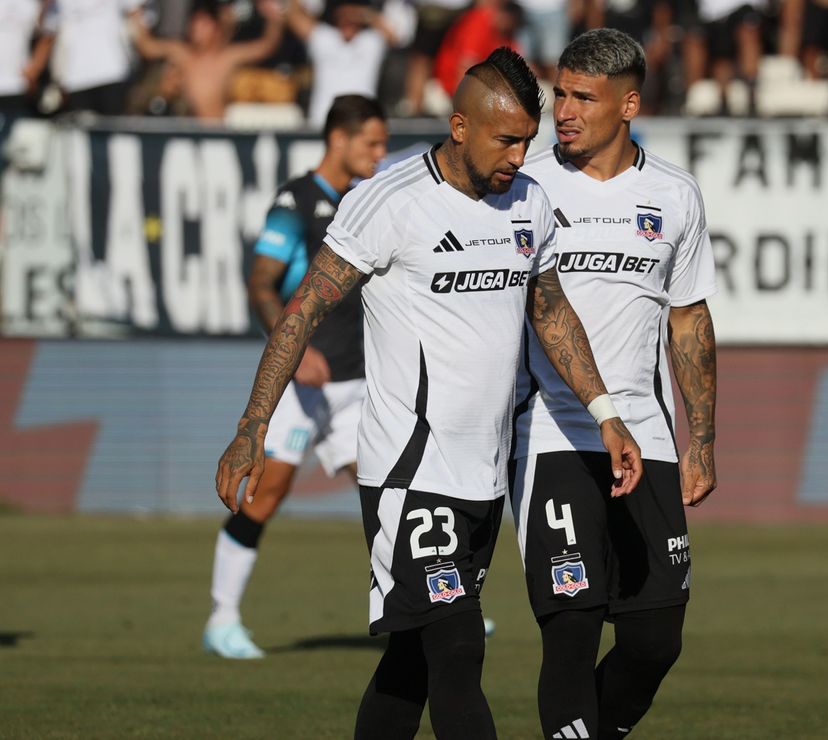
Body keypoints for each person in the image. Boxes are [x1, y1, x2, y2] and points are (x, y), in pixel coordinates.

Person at [213, 47, 644, 739]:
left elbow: (553, 312)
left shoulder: (529, 202)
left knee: (410, 663)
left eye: (526, 143)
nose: (517, 157)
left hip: (483, 476)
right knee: (459, 647)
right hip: (408, 472)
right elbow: (301, 312)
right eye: (505, 140)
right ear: (459, 126)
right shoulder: (388, 202)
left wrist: (606, 413)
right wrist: (251, 426)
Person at [513, 29, 717, 740]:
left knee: (655, 640)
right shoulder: (527, 189)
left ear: (628, 104)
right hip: (554, 433)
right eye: (559, 95)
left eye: (582, 98)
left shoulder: (674, 196)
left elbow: (688, 322)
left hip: (650, 435)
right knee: (571, 630)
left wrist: (703, 440)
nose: (562, 111)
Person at [203, 94, 388, 660]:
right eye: (371, 143)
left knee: (389, 492)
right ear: (339, 139)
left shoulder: (364, 201)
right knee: (268, 492)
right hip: (304, 384)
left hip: (357, 379)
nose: (379, 155)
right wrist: (293, 348)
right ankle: (222, 618)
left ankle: (426, 608)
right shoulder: (296, 200)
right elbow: (262, 282)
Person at [130, 0, 284, 121]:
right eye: (194, 25)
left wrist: (274, 18)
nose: (197, 31)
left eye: (203, 25)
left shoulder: (227, 58)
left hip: (218, 132)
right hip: (190, 131)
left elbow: (266, 46)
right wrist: (135, 14)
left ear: (216, 28)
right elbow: (147, 47)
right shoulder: (183, 54)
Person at [285, 0, 396, 127]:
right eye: (343, 12)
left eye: (353, 12)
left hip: (362, 122)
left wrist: (365, 14)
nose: (348, 16)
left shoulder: (371, 42)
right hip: (322, 121)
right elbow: (294, 18)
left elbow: (393, 37)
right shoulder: (324, 38)